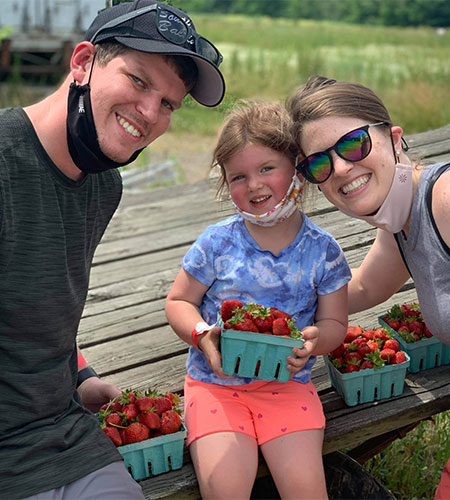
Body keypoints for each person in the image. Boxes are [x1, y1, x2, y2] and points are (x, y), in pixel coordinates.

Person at [0, 1, 225, 498]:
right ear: (82, 63)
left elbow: (34, 307)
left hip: (62, 436)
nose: (150, 113)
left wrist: (79, 373)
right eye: (139, 81)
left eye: (168, 103)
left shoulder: (103, 186)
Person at [287, 75, 450, 500]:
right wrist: (266, 306)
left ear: (394, 138)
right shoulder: (403, 220)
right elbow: (363, 288)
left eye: (352, 145)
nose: (341, 168)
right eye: (318, 164)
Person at [165, 100, 350, 499]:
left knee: (306, 491)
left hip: (288, 385)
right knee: (225, 488)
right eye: (238, 176)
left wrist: (316, 342)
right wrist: (201, 334)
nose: (254, 185)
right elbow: (179, 301)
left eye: (267, 168)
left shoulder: (323, 251)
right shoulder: (217, 243)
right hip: (215, 385)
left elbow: (335, 322)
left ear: (297, 166)